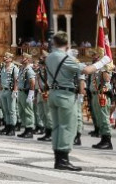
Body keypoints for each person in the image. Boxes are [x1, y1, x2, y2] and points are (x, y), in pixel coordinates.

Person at [46, 31, 84, 171]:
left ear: (54, 42)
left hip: (53, 93)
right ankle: (63, 159)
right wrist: (102, 62)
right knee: (67, 127)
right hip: (65, 95)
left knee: (56, 126)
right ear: (67, 44)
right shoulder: (65, 58)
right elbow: (85, 70)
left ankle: (58, 159)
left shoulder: (49, 57)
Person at [0, 52, 19, 136]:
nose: (5, 58)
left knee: (11, 110)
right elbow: (0, 79)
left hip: (10, 91)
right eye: (4, 56)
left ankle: (12, 128)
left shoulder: (14, 68)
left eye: (7, 57)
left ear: (11, 59)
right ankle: (7, 125)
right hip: (3, 90)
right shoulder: (3, 67)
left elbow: (16, 80)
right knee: (5, 110)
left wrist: (15, 91)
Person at [16, 52, 36, 138]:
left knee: (28, 111)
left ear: (27, 59)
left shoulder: (29, 70)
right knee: (21, 111)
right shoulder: (22, 69)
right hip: (20, 92)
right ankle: (26, 128)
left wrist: (31, 94)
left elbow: (32, 82)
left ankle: (30, 129)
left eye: (23, 58)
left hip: (26, 92)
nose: (21, 59)